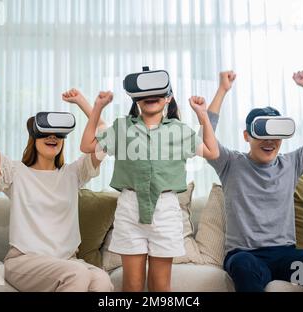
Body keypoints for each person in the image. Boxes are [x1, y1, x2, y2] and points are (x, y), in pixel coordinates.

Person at [207, 70, 303, 292]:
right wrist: (222, 90)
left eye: (275, 134)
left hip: (287, 262)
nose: (269, 141)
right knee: (244, 266)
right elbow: (206, 140)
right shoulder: (231, 164)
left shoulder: (291, 164)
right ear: (246, 136)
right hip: (248, 258)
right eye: (262, 133)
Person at [80, 69, 220, 291]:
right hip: (130, 208)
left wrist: (202, 114)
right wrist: (97, 108)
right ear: (135, 99)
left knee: (160, 287)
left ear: (168, 98)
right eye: (144, 94)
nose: (151, 97)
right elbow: (87, 146)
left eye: (157, 92)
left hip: (166, 210)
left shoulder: (179, 131)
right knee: (132, 286)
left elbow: (212, 151)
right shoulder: (122, 127)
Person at [0, 74, 113, 292]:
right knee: (76, 274)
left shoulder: (73, 173)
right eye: (46, 133)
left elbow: (106, 136)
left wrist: (86, 104)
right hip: (24, 261)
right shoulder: (15, 173)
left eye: (59, 134)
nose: (53, 137)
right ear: (33, 138)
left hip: (67, 261)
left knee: (102, 281)